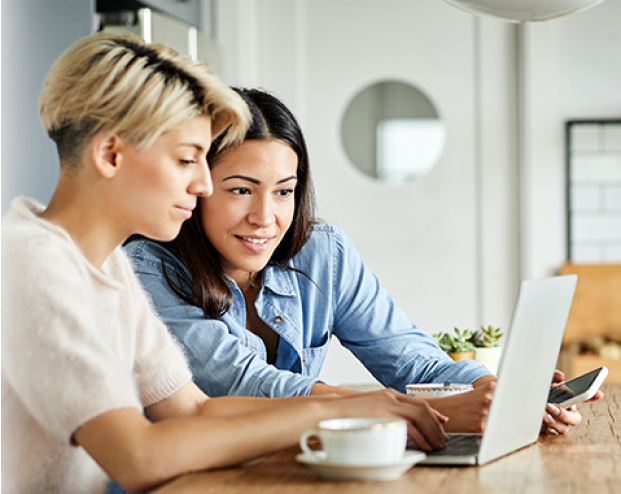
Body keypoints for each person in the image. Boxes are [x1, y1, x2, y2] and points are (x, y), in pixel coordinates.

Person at [1, 32, 450, 494]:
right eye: (186, 160)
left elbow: (195, 409)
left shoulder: (106, 266)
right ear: (110, 154)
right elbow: (140, 457)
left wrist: (353, 410)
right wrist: (331, 410)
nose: (202, 185)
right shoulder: (32, 265)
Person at [124, 87, 589, 436]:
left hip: (286, 468)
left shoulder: (322, 253)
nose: (265, 217)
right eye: (241, 190)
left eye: (284, 191)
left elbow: (414, 362)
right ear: (199, 187)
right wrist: (406, 411)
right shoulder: (147, 268)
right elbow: (241, 385)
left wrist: (496, 394)